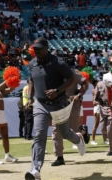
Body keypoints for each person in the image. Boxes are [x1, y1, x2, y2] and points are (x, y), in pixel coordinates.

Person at [24, 38, 86, 180]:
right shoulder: (32, 63)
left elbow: (72, 79)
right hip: (40, 104)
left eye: (40, 48)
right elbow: (32, 80)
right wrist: (29, 98)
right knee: (39, 134)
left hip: (59, 104)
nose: (37, 51)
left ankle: (78, 139)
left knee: (64, 133)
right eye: (35, 49)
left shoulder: (58, 62)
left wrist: (57, 91)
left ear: (46, 48)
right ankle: (35, 170)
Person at [51, 68, 89, 166]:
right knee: (56, 131)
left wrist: (79, 95)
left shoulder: (72, 72)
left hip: (73, 103)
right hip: (57, 104)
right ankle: (59, 157)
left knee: (74, 130)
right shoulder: (51, 72)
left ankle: (83, 131)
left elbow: (85, 84)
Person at [94, 55, 112, 157]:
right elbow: (97, 96)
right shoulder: (103, 80)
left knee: (111, 129)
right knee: (103, 129)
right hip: (105, 106)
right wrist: (95, 101)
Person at [91, 79, 108, 145]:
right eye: (97, 83)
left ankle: (105, 140)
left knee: (103, 123)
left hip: (102, 106)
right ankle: (93, 140)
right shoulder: (94, 90)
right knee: (96, 124)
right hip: (97, 107)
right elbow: (95, 99)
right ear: (95, 84)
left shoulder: (101, 89)